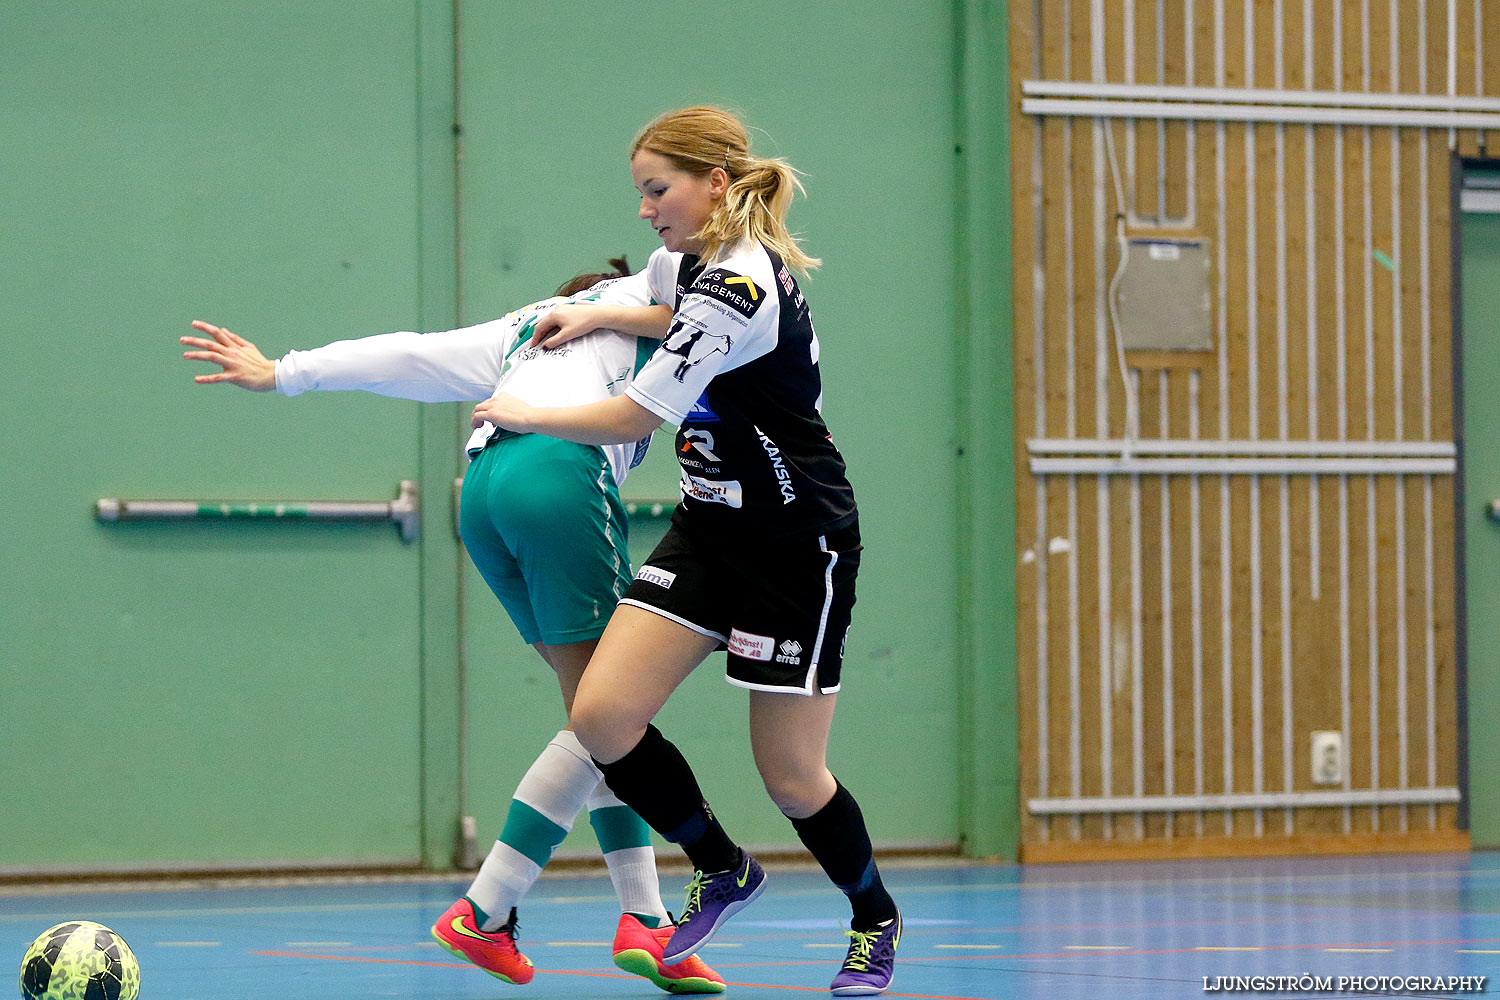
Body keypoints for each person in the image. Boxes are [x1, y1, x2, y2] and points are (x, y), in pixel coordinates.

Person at [178, 259, 725, 994]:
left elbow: (408, 353)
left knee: (597, 718)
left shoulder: (525, 330)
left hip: (485, 492)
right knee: (615, 712)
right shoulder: (656, 300)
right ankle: (488, 906)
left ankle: (648, 922)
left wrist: (284, 371)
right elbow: (717, 316)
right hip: (559, 475)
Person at [471, 106, 901, 997]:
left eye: (656, 189)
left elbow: (636, 415)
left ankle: (872, 919)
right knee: (601, 715)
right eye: (640, 191)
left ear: (714, 185)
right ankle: (720, 865)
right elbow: (667, 303)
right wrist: (583, 316)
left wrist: (523, 412)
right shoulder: (688, 263)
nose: (644, 209)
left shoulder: (742, 285)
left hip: (796, 543)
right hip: (709, 531)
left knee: (791, 777)